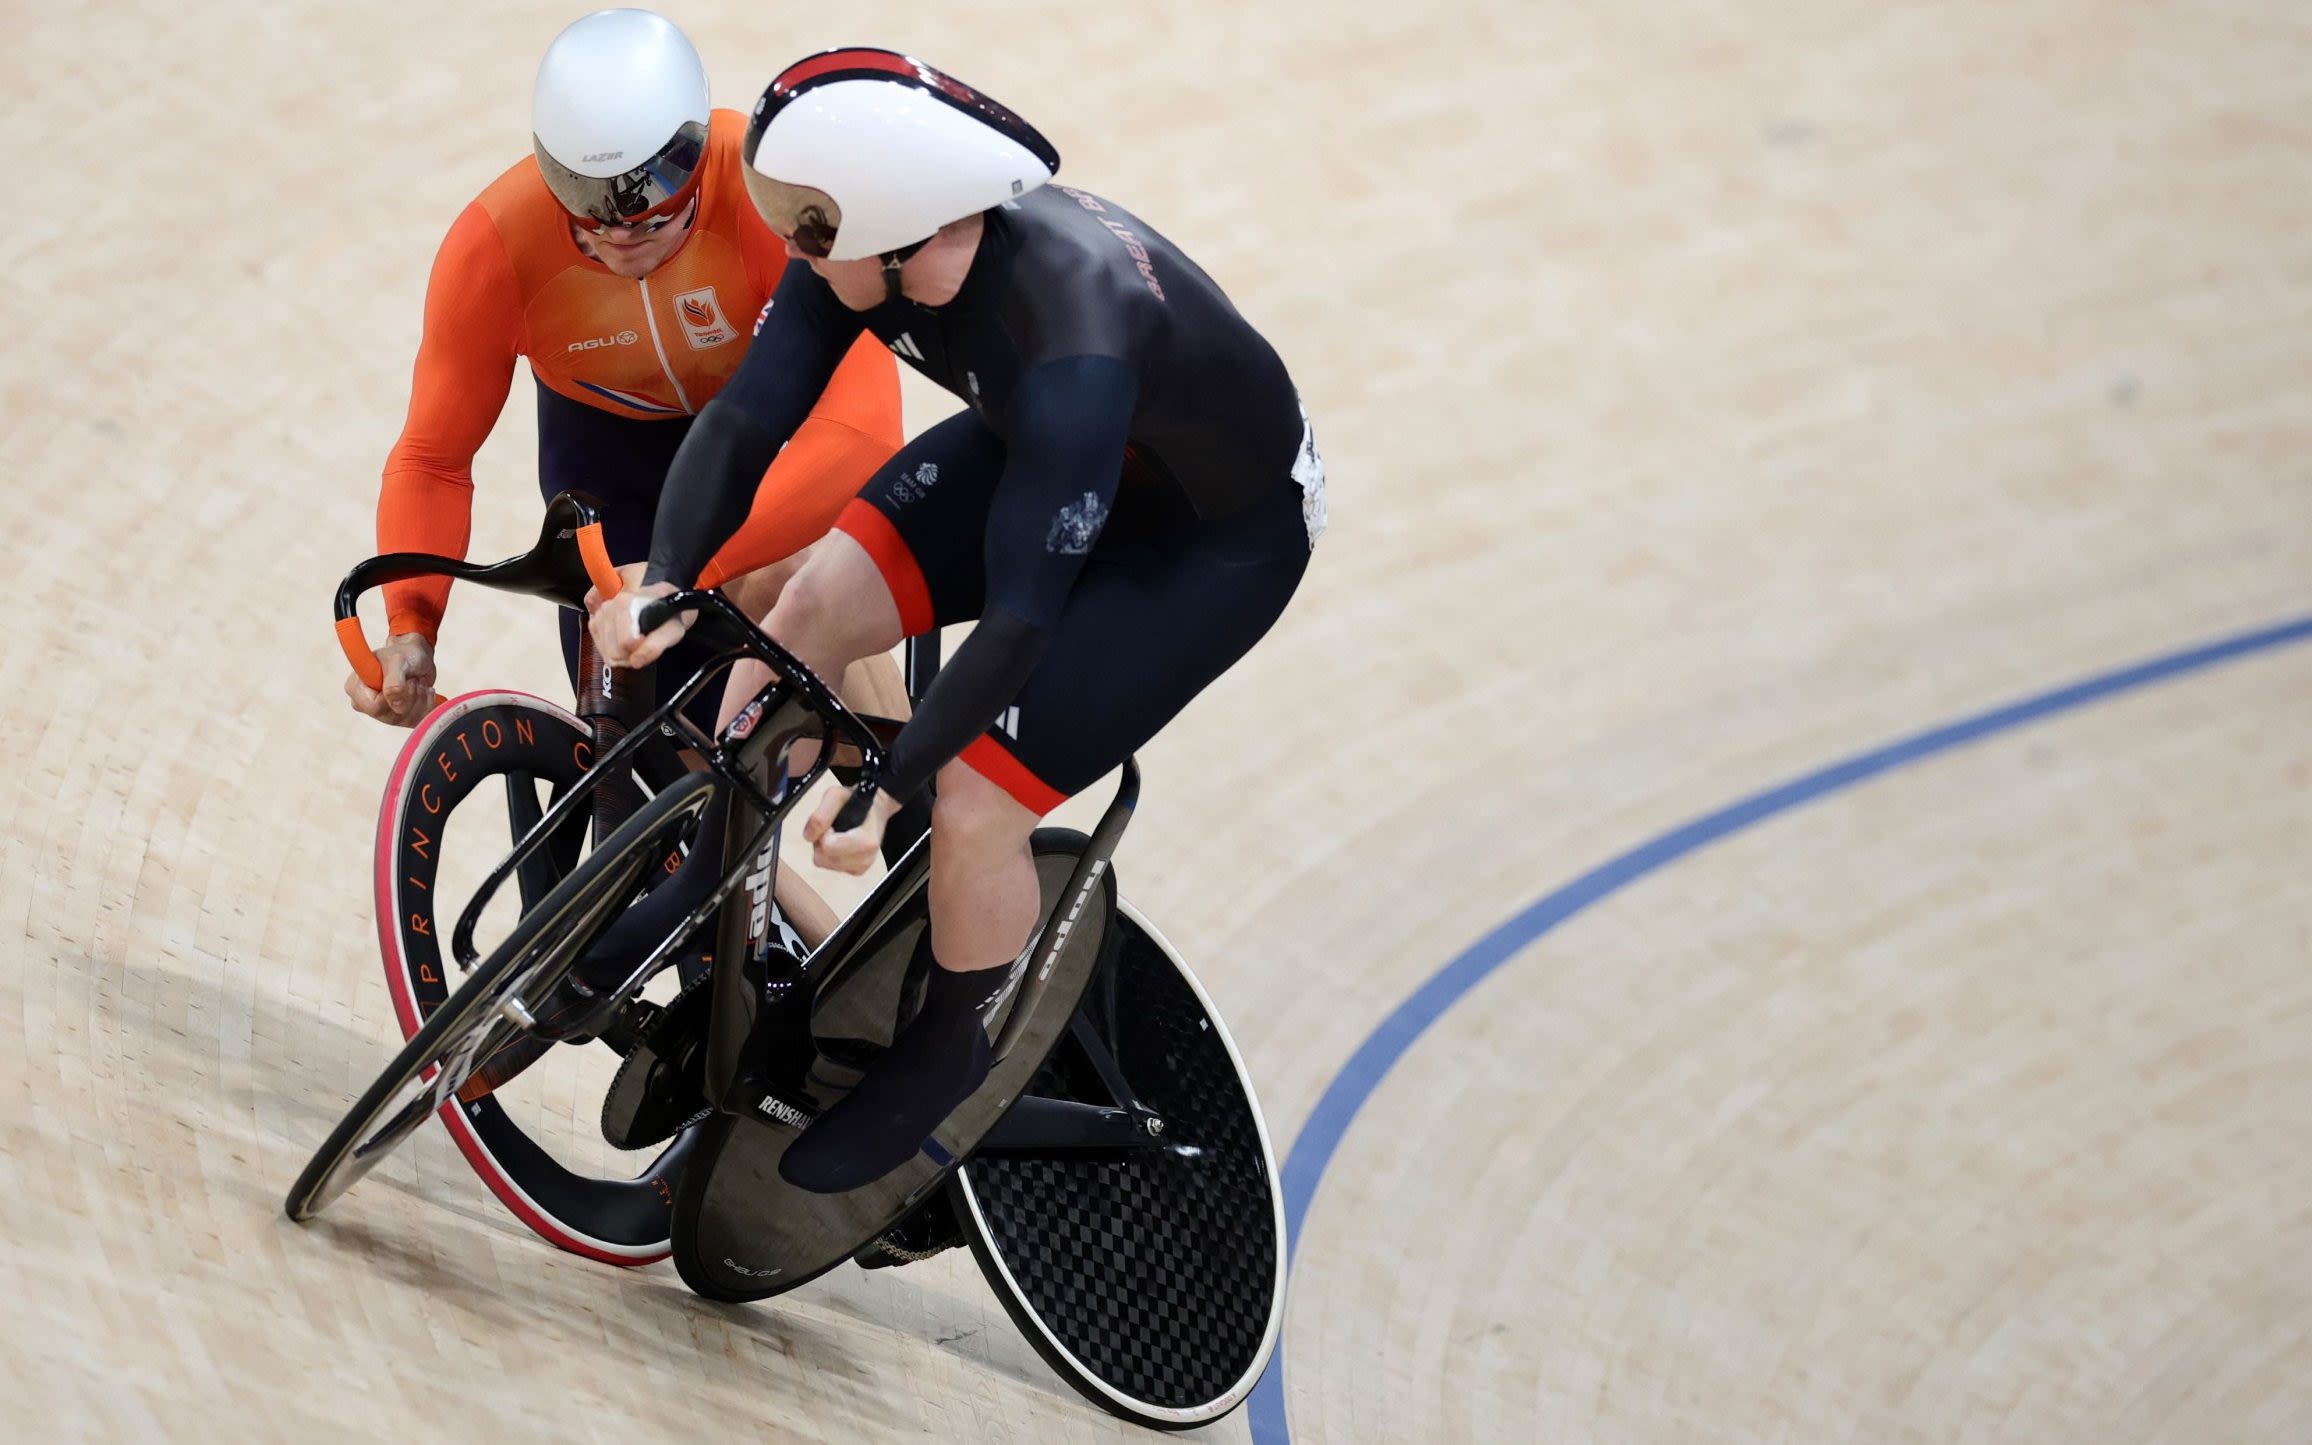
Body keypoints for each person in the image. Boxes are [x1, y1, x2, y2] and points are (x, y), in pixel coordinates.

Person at [589, 48, 1328, 1192]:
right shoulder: (868, 249)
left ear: (901, 233)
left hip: (1205, 547)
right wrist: (665, 578)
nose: (794, 248)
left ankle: (948, 1047)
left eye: (814, 228)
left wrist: (893, 785)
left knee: (975, 798)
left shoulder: (1074, 329)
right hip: (1043, 448)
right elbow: (745, 422)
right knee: (810, 606)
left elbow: (1026, 615)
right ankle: (706, 868)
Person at [346, 10, 907, 742]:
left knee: (798, 579)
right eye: (587, 202)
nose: (619, 232)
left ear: (700, 150)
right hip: (614, 476)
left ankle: (916, 813)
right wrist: (411, 624)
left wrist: (683, 572)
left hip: (774, 445)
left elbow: (863, 434)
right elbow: (433, 459)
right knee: (658, 758)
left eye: (652, 206)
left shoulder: (766, 191)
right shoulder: (493, 248)